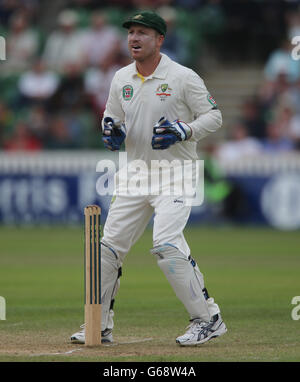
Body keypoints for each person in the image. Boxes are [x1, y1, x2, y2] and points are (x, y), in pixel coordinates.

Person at [71, 10, 227, 346]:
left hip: (176, 173)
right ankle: (99, 323)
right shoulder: (121, 78)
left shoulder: (183, 77)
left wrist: (185, 130)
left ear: (160, 39)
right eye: (131, 33)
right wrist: (111, 134)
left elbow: (214, 116)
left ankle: (207, 319)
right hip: (136, 174)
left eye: (143, 33)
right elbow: (111, 119)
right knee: (108, 249)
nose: (134, 39)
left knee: (167, 244)